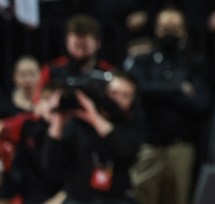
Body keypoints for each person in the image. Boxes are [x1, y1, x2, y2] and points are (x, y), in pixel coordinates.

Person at [125, 7, 211, 204]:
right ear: (155, 30)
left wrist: (159, 93)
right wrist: (179, 89)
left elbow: (201, 103)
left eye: (174, 28)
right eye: (164, 28)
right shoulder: (143, 62)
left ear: (184, 32)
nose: (169, 33)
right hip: (149, 148)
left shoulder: (197, 64)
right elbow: (140, 91)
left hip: (181, 149)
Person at [43, 72, 143, 203]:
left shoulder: (131, 123)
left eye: (126, 96)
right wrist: (57, 122)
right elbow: (52, 168)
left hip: (116, 197)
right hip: (79, 197)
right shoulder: (77, 123)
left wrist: (94, 118)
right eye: (114, 93)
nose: (117, 99)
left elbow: (125, 150)